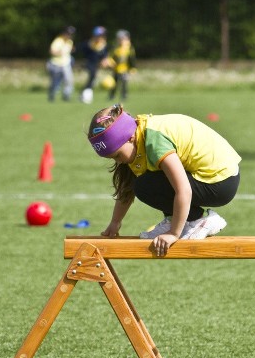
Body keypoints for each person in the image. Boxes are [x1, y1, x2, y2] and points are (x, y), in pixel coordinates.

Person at [88, 104, 241, 257]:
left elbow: (183, 190)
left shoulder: (154, 142)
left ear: (130, 138)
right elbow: (126, 188)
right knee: (144, 182)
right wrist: (115, 222)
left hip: (220, 182)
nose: (118, 161)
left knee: (144, 186)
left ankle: (201, 220)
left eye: (117, 156)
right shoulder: (138, 133)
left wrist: (174, 234)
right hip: (218, 178)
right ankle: (178, 218)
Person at [47, 26, 75, 102]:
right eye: (68, 33)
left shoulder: (70, 42)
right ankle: (52, 96)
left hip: (66, 64)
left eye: (71, 34)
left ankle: (66, 96)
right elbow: (51, 51)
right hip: (56, 64)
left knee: (69, 81)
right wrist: (59, 53)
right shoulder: (58, 41)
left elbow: (69, 51)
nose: (69, 35)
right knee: (55, 82)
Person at [108, 29, 137, 101]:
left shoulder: (129, 49)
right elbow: (111, 57)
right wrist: (110, 62)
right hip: (116, 69)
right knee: (114, 83)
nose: (121, 41)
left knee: (124, 83)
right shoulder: (115, 48)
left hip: (124, 69)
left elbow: (132, 59)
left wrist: (133, 68)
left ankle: (124, 95)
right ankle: (112, 95)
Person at [81, 26, 108, 99]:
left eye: (102, 36)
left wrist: (104, 60)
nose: (100, 37)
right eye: (98, 36)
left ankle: (85, 92)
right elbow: (81, 51)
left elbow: (105, 54)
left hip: (97, 64)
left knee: (93, 78)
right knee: (93, 75)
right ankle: (86, 93)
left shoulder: (103, 44)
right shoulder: (89, 43)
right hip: (89, 63)